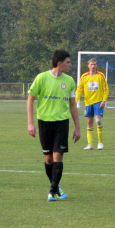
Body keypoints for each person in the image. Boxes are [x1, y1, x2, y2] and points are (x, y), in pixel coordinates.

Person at [27, 49, 81, 201]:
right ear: (59, 63)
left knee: (58, 155)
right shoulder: (42, 78)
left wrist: (77, 127)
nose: (70, 65)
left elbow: (72, 105)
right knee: (48, 158)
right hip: (44, 123)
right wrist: (30, 123)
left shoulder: (69, 81)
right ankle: (56, 187)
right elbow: (30, 99)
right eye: (68, 62)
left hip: (62, 123)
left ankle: (51, 191)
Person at [75, 58, 109, 150]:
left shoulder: (100, 76)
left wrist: (104, 100)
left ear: (96, 66)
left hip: (98, 102)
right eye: (91, 64)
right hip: (88, 102)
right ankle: (90, 144)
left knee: (98, 121)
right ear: (88, 66)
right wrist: (75, 99)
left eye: (94, 64)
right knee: (89, 122)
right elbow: (79, 89)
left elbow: (106, 89)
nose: (93, 66)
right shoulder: (84, 76)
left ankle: (100, 142)